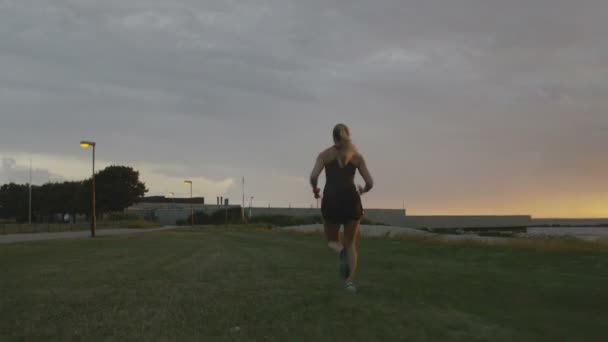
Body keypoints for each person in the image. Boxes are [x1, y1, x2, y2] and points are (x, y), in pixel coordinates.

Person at [309, 123, 374, 292]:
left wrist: (315, 189)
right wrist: (363, 190)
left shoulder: (325, 155)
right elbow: (370, 183)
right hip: (351, 201)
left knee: (332, 241)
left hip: (331, 201)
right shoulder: (357, 157)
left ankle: (340, 253)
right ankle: (349, 283)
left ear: (333, 137)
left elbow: (313, 175)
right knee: (351, 244)